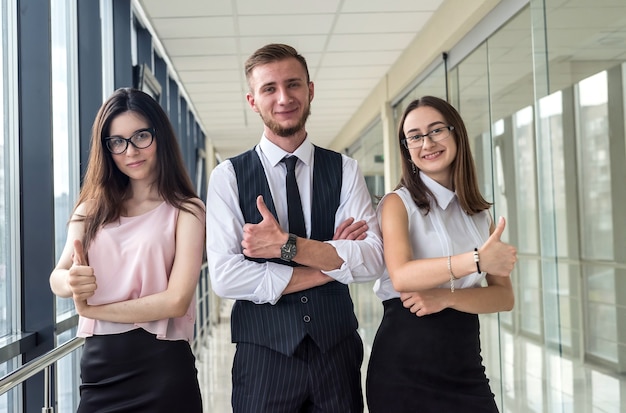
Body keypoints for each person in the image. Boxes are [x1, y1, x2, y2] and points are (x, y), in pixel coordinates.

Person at [206, 43, 384, 412]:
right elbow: (225, 278)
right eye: (269, 88)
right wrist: (330, 263)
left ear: (310, 90)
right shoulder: (228, 178)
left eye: (293, 84)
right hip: (262, 361)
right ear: (253, 101)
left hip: (336, 355)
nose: (284, 97)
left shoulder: (345, 170)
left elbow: (371, 260)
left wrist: (285, 246)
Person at [49, 88, 205, 412]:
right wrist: (72, 282)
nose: (131, 151)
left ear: (159, 136)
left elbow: (176, 301)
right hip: (101, 369)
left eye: (141, 137)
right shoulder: (91, 209)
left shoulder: (187, 210)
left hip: (163, 370)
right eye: (118, 142)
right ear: (107, 149)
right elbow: (58, 276)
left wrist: (94, 310)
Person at [365, 96, 517, 413]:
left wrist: (446, 298)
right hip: (404, 367)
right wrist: (476, 260)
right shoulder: (397, 203)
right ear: (406, 147)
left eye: (436, 131)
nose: (427, 143)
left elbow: (504, 298)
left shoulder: (478, 214)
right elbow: (402, 275)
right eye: (415, 136)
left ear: (456, 133)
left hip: (465, 364)